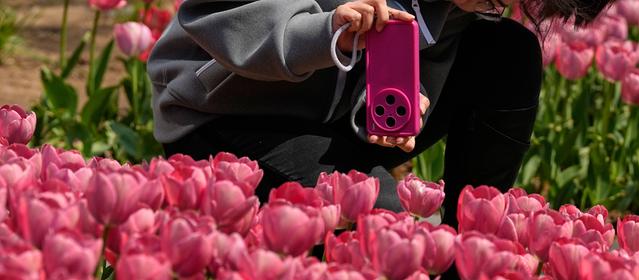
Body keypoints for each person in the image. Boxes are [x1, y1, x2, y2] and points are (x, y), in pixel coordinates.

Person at [147, 0, 613, 226]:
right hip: (229, 113)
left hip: (333, 121)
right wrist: (327, 31)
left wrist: (394, 101)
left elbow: (422, 52)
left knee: (509, 51)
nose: (495, 2)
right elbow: (215, 12)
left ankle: (470, 242)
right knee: (384, 220)